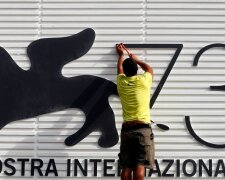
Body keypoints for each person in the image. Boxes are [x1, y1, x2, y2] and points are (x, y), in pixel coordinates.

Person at [116, 43, 155, 180]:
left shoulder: (121, 83)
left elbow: (119, 69)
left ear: (125, 72)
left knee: (126, 166)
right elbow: (149, 68)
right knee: (140, 165)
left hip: (126, 129)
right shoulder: (143, 81)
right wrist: (137, 59)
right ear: (137, 69)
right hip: (142, 129)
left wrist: (121, 55)